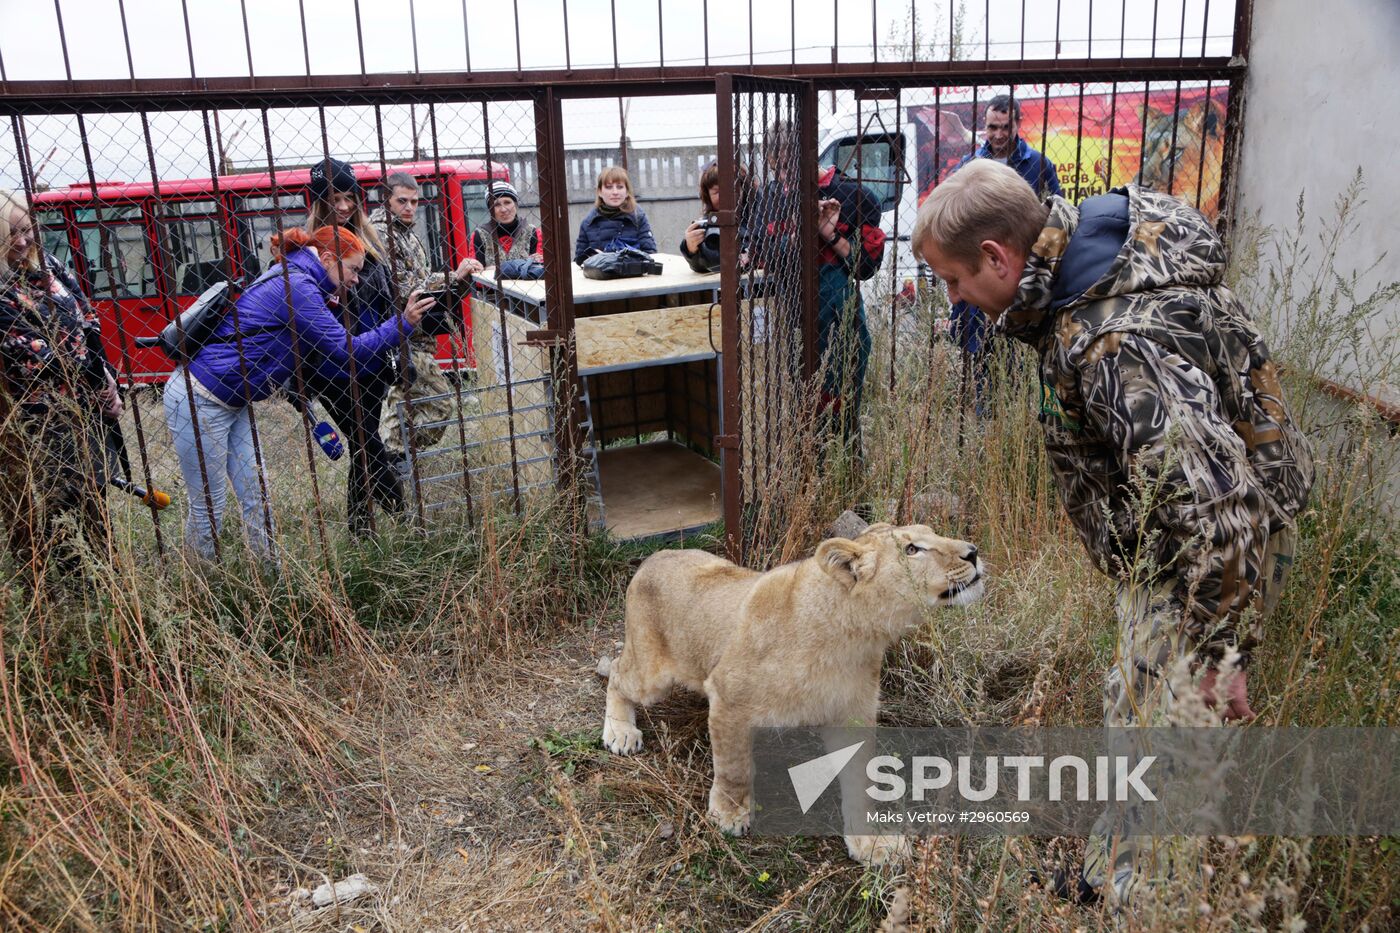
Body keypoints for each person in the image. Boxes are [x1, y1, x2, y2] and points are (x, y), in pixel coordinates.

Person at [912, 160, 1314, 909]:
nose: (954, 296)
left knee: (1166, 733)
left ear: (999, 257)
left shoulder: (1112, 341)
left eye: (954, 279)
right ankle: (1109, 874)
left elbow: (1218, 503)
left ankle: (1139, 903)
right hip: (1174, 538)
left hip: (1207, 552)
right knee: (1132, 700)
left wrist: (1223, 650)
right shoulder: (1081, 266)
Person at [163, 225, 427, 562]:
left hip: (233, 400)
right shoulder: (297, 285)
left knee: (256, 494)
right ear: (329, 258)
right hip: (199, 396)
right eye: (354, 269)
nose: (357, 280)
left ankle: (268, 572)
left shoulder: (303, 280)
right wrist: (402, 323)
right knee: (210, 502)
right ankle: (202, 584)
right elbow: (347, 350)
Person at [0, 188, 122, 581]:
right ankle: (77, 586)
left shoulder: (47, 265)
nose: (22, 241)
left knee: (97, 491)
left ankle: (109, 577)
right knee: (65, 500)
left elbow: (86, 317)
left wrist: (106, 380)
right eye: (9, 236)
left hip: (86, 402)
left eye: (26, 230)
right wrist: (87, 374)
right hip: (45, 415)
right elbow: (30, 354)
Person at [753, 126, 886, 448]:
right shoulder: (769, 199)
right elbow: (759, 251)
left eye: (792, 166)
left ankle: (847, 479)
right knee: (802, 410)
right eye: (779, 167)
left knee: (842, 408)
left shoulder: (855, 196)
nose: (786, 177)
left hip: (841, 318)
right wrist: (799, 237)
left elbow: (865, 267)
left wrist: (828, 232)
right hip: (792, 317)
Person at [305, 158, 407, 535]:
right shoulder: (309, 249)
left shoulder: (370, 244)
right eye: (334, 198)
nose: (344, 206)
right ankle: (396, 509)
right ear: (318, 202)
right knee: (366, 440)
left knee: (364, 445)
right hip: (331, 369)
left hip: (374, 364)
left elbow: (388, 300)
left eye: (350, 197)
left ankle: (362, 529)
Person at [947, 95, 1062, 413]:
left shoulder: (1037, 165)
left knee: (1018, 358)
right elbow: (952, 214)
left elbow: (1057, 214)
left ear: (1017, 125)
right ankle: (986, 435)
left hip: (1021, 279)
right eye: (991, 127)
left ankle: (1018, 426)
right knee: (980, 364)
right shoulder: (970, 166)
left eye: (1005, 127)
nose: (997, 134)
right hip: (981, 277)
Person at [368, 169, 480, 466]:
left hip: (416, 334)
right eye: (402, 201)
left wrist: (451, 280)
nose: (409, 207)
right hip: (403, 334)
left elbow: (419, 279)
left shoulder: (406, 233)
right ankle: (393, 457)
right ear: (386, 200)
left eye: (415, 202)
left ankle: (391, 460)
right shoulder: (382, 233)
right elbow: (404, 289)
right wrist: (453, 276)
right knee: (441, 405)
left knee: (399, 404)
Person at [679, 161, 753, 275]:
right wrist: (691, 249)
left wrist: (750, 253)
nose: (725, 196)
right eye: (717, 192)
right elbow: (702, 267)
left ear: (744, 190)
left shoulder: (756, 216)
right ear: (707, 196)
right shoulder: (707, 223)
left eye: (732, 189)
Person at [573, 165, 656, 264]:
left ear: (627, 192)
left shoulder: (638, 217)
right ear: (599, 192)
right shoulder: (588, 223)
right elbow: (579, 261)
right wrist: (595, 259)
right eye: (609, 187)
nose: (615, 192)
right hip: (600, 278)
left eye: (620, 187)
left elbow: (650, 255)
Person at [470, 180, 543, 267]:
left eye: (507, 202)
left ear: (516, 205)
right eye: (496, 205)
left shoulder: (532, 232)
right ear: (490, 210)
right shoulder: (480, 235)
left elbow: (539, 268)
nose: (503, 209)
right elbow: (476, 271)